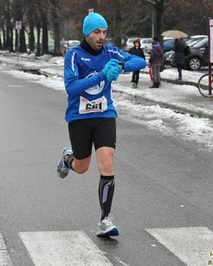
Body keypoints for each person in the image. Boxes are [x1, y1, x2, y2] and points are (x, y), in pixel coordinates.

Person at [57, 12, 146, 237]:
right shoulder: (74, 55)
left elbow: (140, 60)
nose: (101, 36)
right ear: (87, 33)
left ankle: (105, 220)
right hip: (79, 118)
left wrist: (121, 66)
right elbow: (72, 87)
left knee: (106, 162)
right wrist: (101, 76)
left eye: (104, 32)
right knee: (82, 167)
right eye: (97, 32)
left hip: (105, 115)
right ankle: (68, 159)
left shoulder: (110, 52)